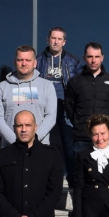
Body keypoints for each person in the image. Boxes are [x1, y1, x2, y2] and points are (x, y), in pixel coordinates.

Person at [37, 27, 83, 202]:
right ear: (48, 39)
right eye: (53, 38)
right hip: (43, 107)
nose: (56, 41)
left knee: (68, 145)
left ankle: (72, 178)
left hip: (65, 106)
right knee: (43, 143)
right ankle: (43, 179)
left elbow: (78, 86)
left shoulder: (73, 61)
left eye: (59, 39)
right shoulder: (38, 60)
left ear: (64, 42)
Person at [65, 42, 109, 155]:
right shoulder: (74, 82)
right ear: (84, 58)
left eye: (97, 57)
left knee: (107, 172)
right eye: (90, 57)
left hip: (105, 138)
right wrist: (79, 123)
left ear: (102, 58)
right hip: (82, 138)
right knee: (81, 172)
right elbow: (69, 107)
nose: (93, 60)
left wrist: (108, 125)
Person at [0, 45, 57, 146]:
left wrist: (34, 140)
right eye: (20, 60)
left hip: (40, 147)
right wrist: (16, 142)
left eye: (28, 60)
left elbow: (51, 117)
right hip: (11, 147)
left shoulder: (47, 86)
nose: (24, 63)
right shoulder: (2, 87)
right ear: (15, 62)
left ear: (35, 63)